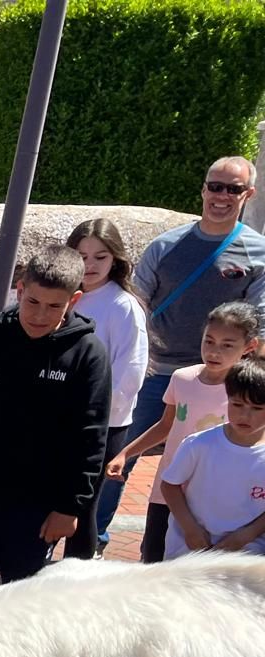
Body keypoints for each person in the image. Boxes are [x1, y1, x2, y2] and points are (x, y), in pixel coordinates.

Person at [97, 156, 265, 541]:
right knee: (119, 455)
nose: (221, 196)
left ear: (248, 194)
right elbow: (136, 305)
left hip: (223, 381)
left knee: (217, 465)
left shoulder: (258, 252)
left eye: (233, 189)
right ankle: (95, 539)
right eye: (215, 186)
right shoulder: (166, 245)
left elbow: (261, 321)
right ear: (204, 189)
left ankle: (205, 543)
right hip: (157, 372)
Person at [0, 244, 111, 586]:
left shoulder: (88, 354)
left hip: (38, 506)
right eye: (32, 302)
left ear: (73, 301)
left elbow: (91, 437)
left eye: (53, 306)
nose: (40, 315)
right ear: (20, 290)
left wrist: (70, 507)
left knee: (22, 597)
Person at [106, 301, 259, 562]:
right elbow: (167, 425)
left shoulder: (246, 396)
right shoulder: (182, 378)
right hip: (168, 490)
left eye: (227, 345)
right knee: (154, 558)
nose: (214, 351)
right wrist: (126, 454)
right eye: (209, 341)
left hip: (211, 497)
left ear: (249, 347)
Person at [64, 218, 148, 559]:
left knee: (83, 507)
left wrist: (92, 411)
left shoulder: (122, 306)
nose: (90, 265)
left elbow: (130, 372)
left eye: (100, 257)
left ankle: (80, 569)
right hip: (59, 419)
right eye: (82, 256)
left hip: (101, 424)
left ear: (115, 259)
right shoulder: (63, 297)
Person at [160, 358, 265, 560]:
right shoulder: (199, 444)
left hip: (246, 558)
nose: (245, 415)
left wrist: (246, 535)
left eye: (257, 408)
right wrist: (190, 529)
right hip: (188, 552)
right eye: (237, 404)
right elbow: (169, 485)